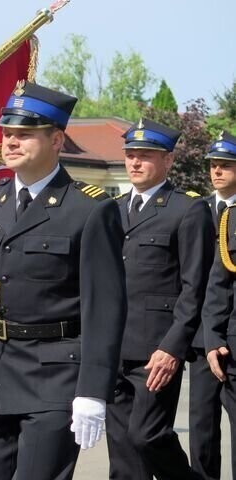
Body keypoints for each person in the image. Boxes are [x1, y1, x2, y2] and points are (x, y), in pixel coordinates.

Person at [0, 81, 127, 480]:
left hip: (55, 379)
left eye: (24, 134)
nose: (11, 142)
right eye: (7, 133)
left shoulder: (89, 209)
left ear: (56, 139)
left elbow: (104, 309)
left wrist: (92, 390)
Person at [106, 118, 214, 480]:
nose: (135, 163)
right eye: (130, 155)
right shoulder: (113, 209)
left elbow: (194, 287)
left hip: (156, 350)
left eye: (146, 156)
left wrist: (173, 348)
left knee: (146, 434)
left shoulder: (187, 210)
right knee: (121, 451)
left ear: (168, 161)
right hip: (114, 347)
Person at [190, 131, 236, 480]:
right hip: (198, 337)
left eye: (226, 166)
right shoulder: (197, 210)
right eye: (213, 166)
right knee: (201, 428)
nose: (217, 172)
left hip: (231, 334)